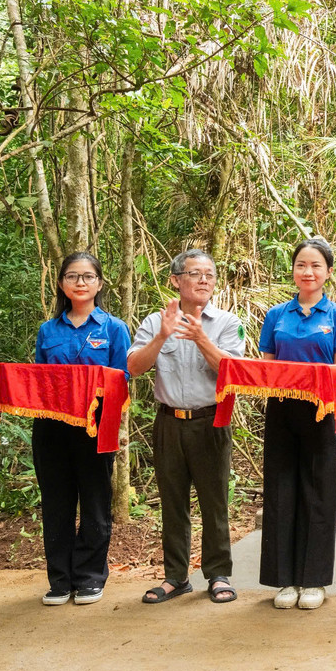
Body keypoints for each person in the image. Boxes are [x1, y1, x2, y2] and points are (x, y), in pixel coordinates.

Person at [128, 249, 246, 605]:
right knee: (173, 502)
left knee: (214, 501)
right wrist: (162, 336)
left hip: (211, 420)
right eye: (195, 273)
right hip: (168, 423)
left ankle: (218, 574)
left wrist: (200, 338)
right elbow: (133, 367)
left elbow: (234, 371)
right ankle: (176, 577)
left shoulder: (227, 322)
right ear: (176, 280)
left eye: (209, 274)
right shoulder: (154, 321)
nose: (204, 280)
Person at [258, 238, 336, 610]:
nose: (308, 272)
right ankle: (285, 580)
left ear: (328, 272)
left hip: (320, 411)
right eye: (301, 264)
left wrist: (306, 377)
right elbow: (268, 365)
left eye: (316, 266)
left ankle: (314, 580)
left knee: (319, 492)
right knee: (282, 492)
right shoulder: (276, 316)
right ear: (294, 271)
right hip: (281, 410)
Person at [32, 251, 132, 606]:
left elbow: (122, 380)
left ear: (99, 284)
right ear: (61, 284)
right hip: (51, 427)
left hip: (96, 425)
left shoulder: (114, 328)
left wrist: (119, 426)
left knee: (94, 501)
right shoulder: (49, 330)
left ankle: (90, 577)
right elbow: (39, 380)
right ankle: (59, 580)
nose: (80, 283)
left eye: (88, 276)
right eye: (73, 276)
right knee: (56, 503)